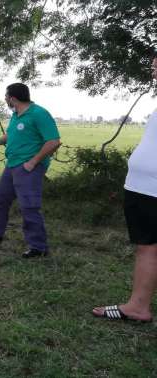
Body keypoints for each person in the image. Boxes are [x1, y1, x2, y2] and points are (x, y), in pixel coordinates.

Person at [92, 56, 157, 322]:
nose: (153, 67)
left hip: (151, 190)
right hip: (143, 189)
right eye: (153, 63)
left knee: (149, 247)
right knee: (148, 246)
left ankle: (138, 306)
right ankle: (138, 305)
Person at [0, 83, 61, 258]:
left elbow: (53, 141)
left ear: (13, 98)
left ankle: (38, 247)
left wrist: (33, 162)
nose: (5, 99)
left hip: (29, 168)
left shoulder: (39, 114)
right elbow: (11, 134)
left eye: (6, 96)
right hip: (12, 165)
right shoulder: (16, 115)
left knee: (29, 206)